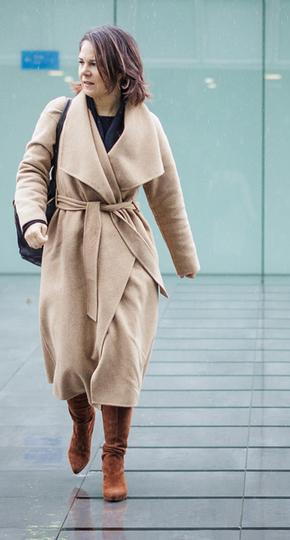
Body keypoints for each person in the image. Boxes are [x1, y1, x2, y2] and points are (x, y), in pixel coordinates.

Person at [14, 25, 200, 502]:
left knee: (121, 355)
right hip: (70, 241)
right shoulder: (60, 114)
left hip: (127, 243)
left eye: (94, 63)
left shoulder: (147, 124)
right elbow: (32, 171)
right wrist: (34, 218)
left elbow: (166, 194)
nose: (84, 71)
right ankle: (81, 421)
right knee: (72, 355)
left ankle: (113, 457)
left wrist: (183, 256)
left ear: (121, 70)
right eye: (80, 62)